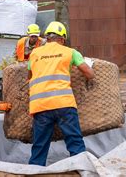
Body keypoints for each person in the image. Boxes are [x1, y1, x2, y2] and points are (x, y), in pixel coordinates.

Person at [28, 21, 94, 166]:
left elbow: (30, 75)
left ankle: (34, 172)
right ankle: (82, 170)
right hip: (64, 104)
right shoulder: (70, 52)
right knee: (75, 143)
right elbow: (90, 74)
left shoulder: (35, 53)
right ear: (62, 39)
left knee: (39, 147)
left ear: (47, 38)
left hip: (40, 106)